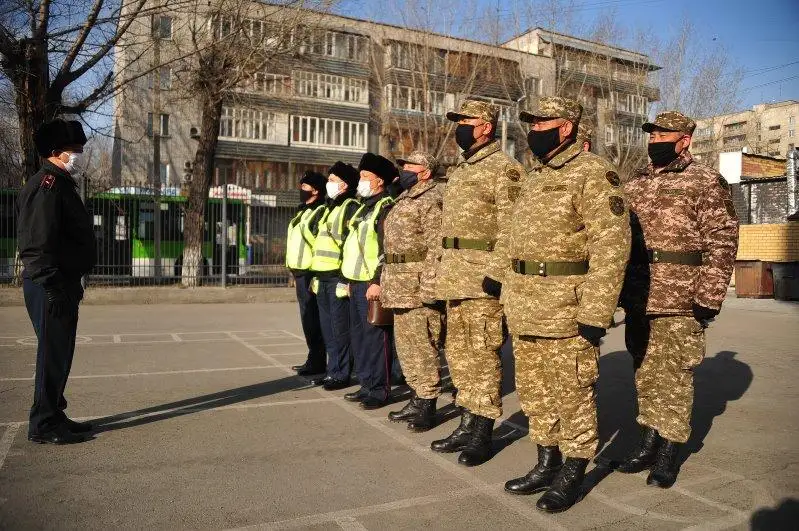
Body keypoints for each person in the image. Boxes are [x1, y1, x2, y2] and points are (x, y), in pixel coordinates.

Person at [495, 97, 631, 513]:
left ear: (567, 127)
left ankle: (574, 469)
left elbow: (612, 246)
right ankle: (546, 461)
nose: (534, 131)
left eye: (542, 124)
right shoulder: (535, 176)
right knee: (535, 394)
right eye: (531, 125)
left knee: (572, 393)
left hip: (566, 308)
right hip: (524, 305)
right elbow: (512, 237)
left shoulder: (593, 173)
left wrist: (596, 312)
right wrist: (501, 285)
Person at [618, 111, 739, 488]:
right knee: (645, 370)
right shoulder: (635, 182)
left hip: (681, 296)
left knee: (674, 376)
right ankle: (648, 440)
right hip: (639, 294)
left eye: (662, 134)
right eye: (651, 134)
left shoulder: (704, 180)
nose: (654, 140)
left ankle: (669, 451)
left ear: (684, 139)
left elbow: (723, 238)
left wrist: (711, 293)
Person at [431, 99, 525, 467]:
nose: (460, 127)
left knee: (482, 357)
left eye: (465, 121)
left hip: (482, 279)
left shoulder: (504, 169)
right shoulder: (463, 169)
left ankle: (483, 430)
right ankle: (467, 422)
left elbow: (512, 227)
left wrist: (497, 274)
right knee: (459, 356)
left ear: (485, 126)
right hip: (455, 278)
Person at [17, 118, 96, 444]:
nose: (79, 154)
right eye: (74, 149)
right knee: (52, 354)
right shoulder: (47, 186)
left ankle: (54, 413)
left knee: (59, 353)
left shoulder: (60, 183)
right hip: (50, 284)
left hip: (61, 282)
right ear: (55, 151)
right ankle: (44, 424)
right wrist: (52, 286)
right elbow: (36, 244)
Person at [380, 151, 444, 431]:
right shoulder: (404, 199)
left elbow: (436, 247)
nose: (403, 169)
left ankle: (428, 402)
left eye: (409, 165)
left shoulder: (430, 200)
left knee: (422, 346)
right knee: (405, 346)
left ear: (426, 172)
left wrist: (429, 286)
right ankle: (417, 396)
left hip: (417, 285)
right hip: (397, 283)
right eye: (402, 165)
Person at [340, 153, 397, 409]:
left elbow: (386, 247)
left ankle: (379, 390)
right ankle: (366, 384)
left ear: (379, 181)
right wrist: (348, 280)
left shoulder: (385, 207)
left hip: (372, 283)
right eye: (360, 175)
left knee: (376, 338)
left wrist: (377, 280)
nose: (360, 180)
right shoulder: (364, 206)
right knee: (360, 337)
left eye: (365, 176)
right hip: (356, 281)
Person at [309, 162, 361, 390]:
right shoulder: (330, 207)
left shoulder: (349, 206)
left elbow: (350, 245)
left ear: (345, 184)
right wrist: (315, 274)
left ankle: (341, 373)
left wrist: (344, 278)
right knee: (328, 329)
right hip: (322, 277)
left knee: (340, 330)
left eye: (333, 180)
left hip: (337, 277)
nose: (328, 183)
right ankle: (332, 370)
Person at [287, 171, 328, 376]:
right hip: (300, 273)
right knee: (308, 319)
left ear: (315, 190)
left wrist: (314, 275)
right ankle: (314, 357)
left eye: (304, 187)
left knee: (314, 319)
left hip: (311, 273)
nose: (300, 190)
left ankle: (319, 361)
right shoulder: (302, 211)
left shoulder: (319, 211)